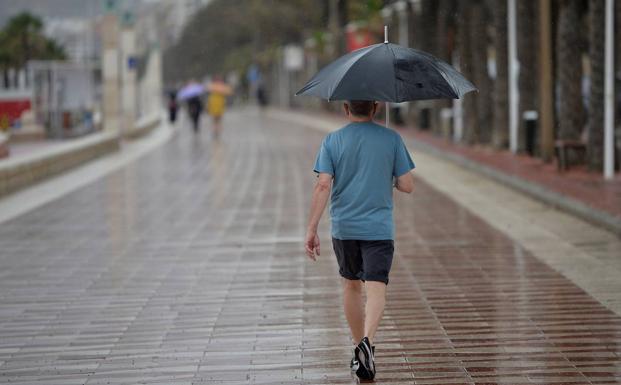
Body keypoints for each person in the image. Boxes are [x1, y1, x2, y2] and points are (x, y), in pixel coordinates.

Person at [304, 100, 415, 382]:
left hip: (345, 227)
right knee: (376, 288)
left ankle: (359, 350)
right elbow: (407, 185)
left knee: (351, 286)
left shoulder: (333, 140)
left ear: (346, 108)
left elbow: (323, 184)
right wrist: (384, 173)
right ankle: (368, 341)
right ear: (375, 108)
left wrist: (312, 228)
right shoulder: (392, 138)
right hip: (378, 228)